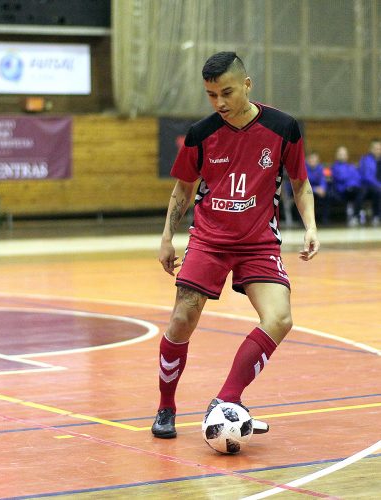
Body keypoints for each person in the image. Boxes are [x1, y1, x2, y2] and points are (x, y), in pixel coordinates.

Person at [152, 51, 320, 439]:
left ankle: (226, 398)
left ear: (247, 84)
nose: (219, 103)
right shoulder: (201, 134)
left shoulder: (283, 128)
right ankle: (166, 406)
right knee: (181, 319)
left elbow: (300, 183)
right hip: (210, 239)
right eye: (211, 95)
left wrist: (311, 226)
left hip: (258, 242)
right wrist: (166, 237)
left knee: (280, 318)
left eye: (226, 92)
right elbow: (183, 189)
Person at [330, 146, 362, 226]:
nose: (342, 156)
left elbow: (358, 177)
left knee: (361, 192)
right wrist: (351, 180)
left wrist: (351, 181)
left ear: (347, 156)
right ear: (337, 156)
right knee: (357, 192)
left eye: (344, 154)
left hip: (354, 188)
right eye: (340, 154)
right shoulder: (335, 167)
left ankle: (355, 215)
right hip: (342, 190)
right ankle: (354, 214)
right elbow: (341, 177)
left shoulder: (351, 166)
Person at [358, 139, 381, 226]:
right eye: (376, 148)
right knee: (377, 192)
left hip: (378, 186)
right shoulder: (366, 160)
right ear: (371, 149)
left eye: (379, 148)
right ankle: (376, 216)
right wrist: (379, 185)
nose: (378, 150)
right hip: (368, 186)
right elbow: (368, 177)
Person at [305, 151, 330, 225]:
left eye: (315, 160)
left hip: (319, 191)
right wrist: (315, 189)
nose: (313, 161)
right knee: (308, 196)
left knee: (327, 195)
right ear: (308, 160)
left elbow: (323, 180)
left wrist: (323, 188)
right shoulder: (304, 169)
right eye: (311, 159)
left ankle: (324, 219)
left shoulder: (320, 168)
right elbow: (304, 184)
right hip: (307, 191)